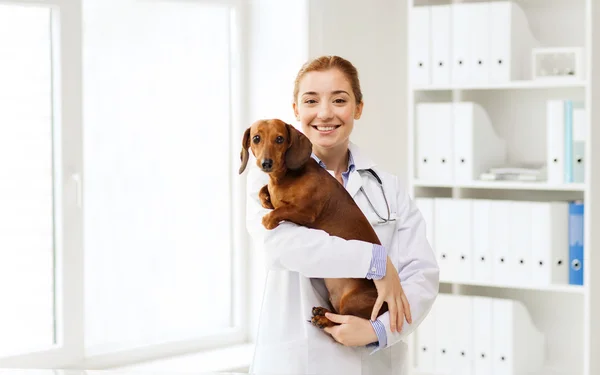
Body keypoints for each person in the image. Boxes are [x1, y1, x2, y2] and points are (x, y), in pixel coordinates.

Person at [245, 55, 439, 375]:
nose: (325, 113)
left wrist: (379, 331)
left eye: (339, 100)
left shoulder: (387, 187)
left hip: (373, 361)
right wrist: (376, 261)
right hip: (299, 360)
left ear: (358, 109)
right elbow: (286, 247)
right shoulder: (266, 180)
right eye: (311, 100)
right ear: (296, 110)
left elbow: (422, 274)